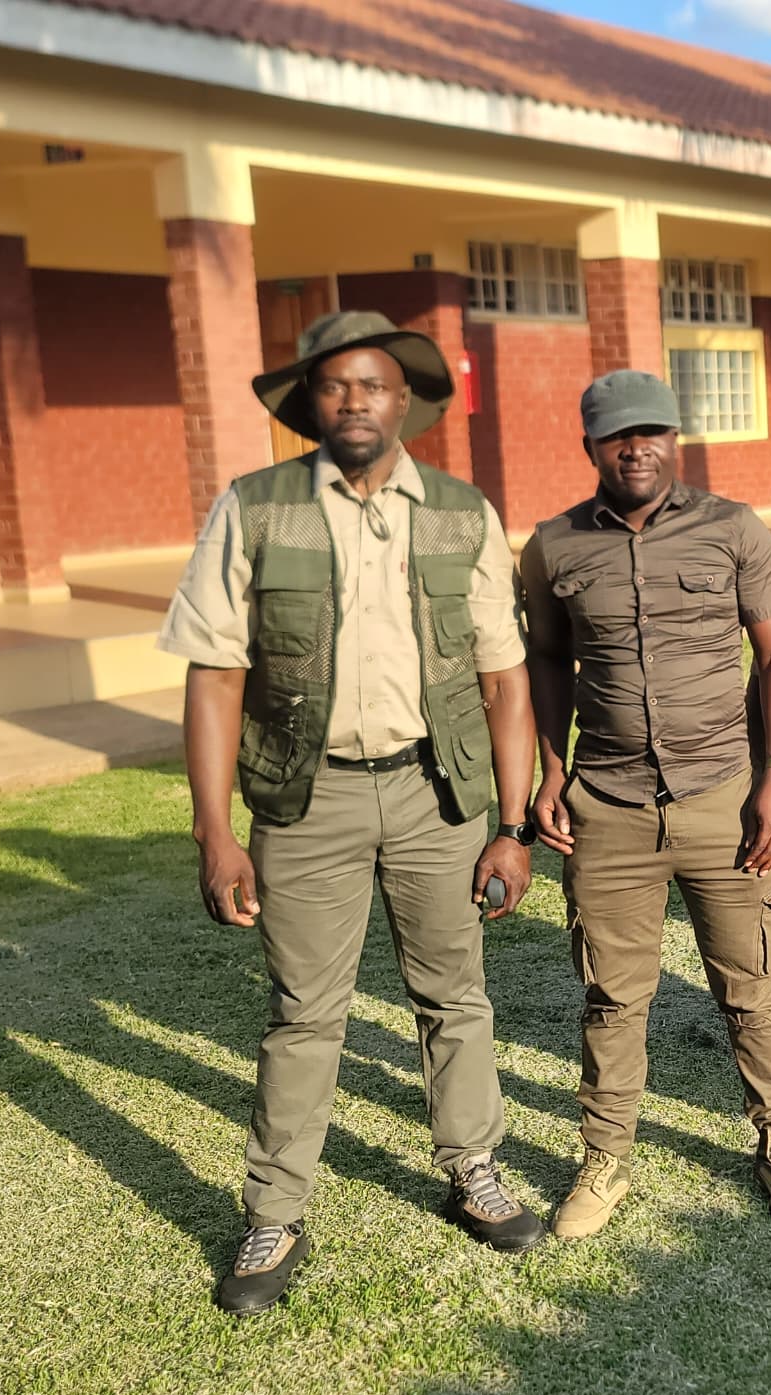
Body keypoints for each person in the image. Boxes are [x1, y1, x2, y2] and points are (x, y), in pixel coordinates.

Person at [160, 310, 547, 1317]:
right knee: (304, 1013)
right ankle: (275, 1213)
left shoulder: (460, 512)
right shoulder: (256, 508)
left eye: (372, 384)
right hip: (306, 796)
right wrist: (214, 831)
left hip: (436, 793)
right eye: (334, 386)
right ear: (311, 404)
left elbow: (505, 680)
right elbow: (215, 675)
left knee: (454, 994)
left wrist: (513, 826)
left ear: (403, 399)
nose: (354, 401)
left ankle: (473, 1169)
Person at [519, 371, 771, 1236]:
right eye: (618, 436)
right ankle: (604, 1159)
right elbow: (547, 660)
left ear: (674, 439)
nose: (636, 449)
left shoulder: (732, 528)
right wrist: (552, 769)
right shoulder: (553, 546)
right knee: (613, 998)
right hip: (609, 804)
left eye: (650, 431)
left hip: (723, 796)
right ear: (590, 445)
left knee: (751, 986)